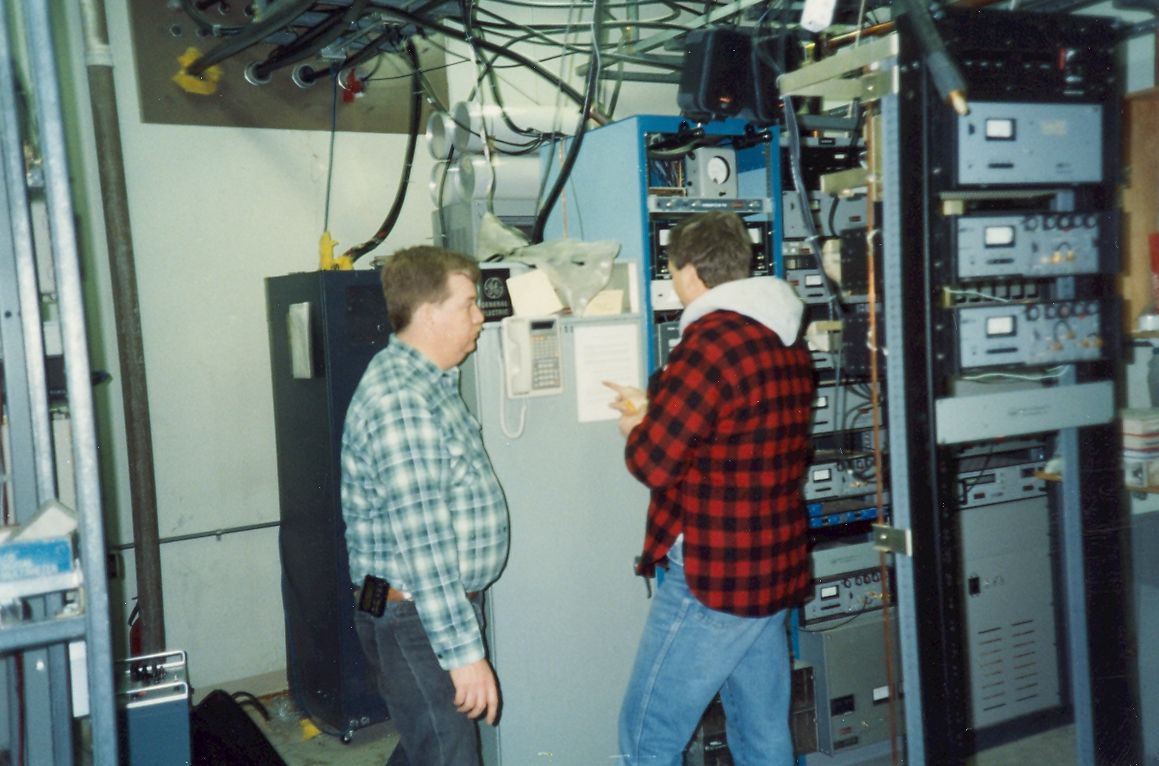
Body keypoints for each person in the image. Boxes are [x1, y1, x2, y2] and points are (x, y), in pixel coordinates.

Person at [607, 211, 816, 765]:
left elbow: (654, 464)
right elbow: (738, 434)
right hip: (770, 569)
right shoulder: (784, 336)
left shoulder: (708, 341)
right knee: (763, 735)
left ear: (690, 273)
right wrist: (661, 408)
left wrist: (637, 427)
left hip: (714, 579)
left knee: (647, 737)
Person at [340, 246, 509, 766]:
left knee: (428, 743)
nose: (480, 316)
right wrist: (464, 655)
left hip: (408, 607)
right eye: (468, 304)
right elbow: (425, 544)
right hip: (410, 612)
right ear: (430, 313)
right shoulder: (402, 402)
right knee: (446, 751)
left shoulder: (426, 381)